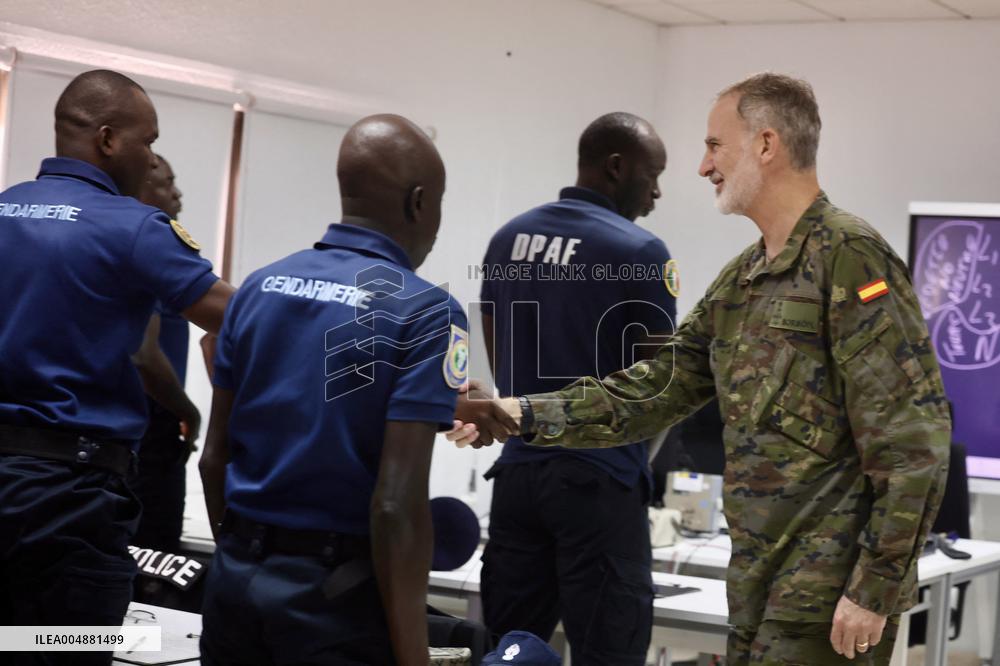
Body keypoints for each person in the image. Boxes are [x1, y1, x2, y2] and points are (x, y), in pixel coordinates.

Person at [451, 73, 950, 665]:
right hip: (755, 581)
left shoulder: (851, 256)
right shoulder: (743, 277)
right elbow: (655, 387)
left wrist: (875, 588)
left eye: (716, 145)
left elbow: (913, 441)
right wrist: (517, 411)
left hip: (825, 591)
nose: (702, 166)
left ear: (766, 145)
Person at [197, 113, 514, 665]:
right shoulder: (427, 311)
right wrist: (413, 654)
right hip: (331, 601)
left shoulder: (257, 289)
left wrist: (239, 559)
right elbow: (395, 505)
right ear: (419, 202)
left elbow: (214, 458)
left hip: (233, 585)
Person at [0, 69, 233, 665]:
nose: (151, 157)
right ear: (108, 140)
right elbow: (241, 318)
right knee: (68, 648)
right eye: (148, 141)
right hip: (69, 508)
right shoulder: (131, 227)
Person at [477, 112, 674, 664]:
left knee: (510, 653)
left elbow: (489, 347)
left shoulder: (507, 237)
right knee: (609, 651)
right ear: (616, 167)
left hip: (517, 474)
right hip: (599, 480)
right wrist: (634, 468)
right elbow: (661, 392)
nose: (657, 191)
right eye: (652, 174)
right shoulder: (640, 251)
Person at [131, 154, 202, 560]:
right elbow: (144, 352)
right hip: (152, 425)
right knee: (155, 565)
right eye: (168, 182)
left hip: (133, 425)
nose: (177, 193)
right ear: (141, 186)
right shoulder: (148, 245)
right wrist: (189, 412)